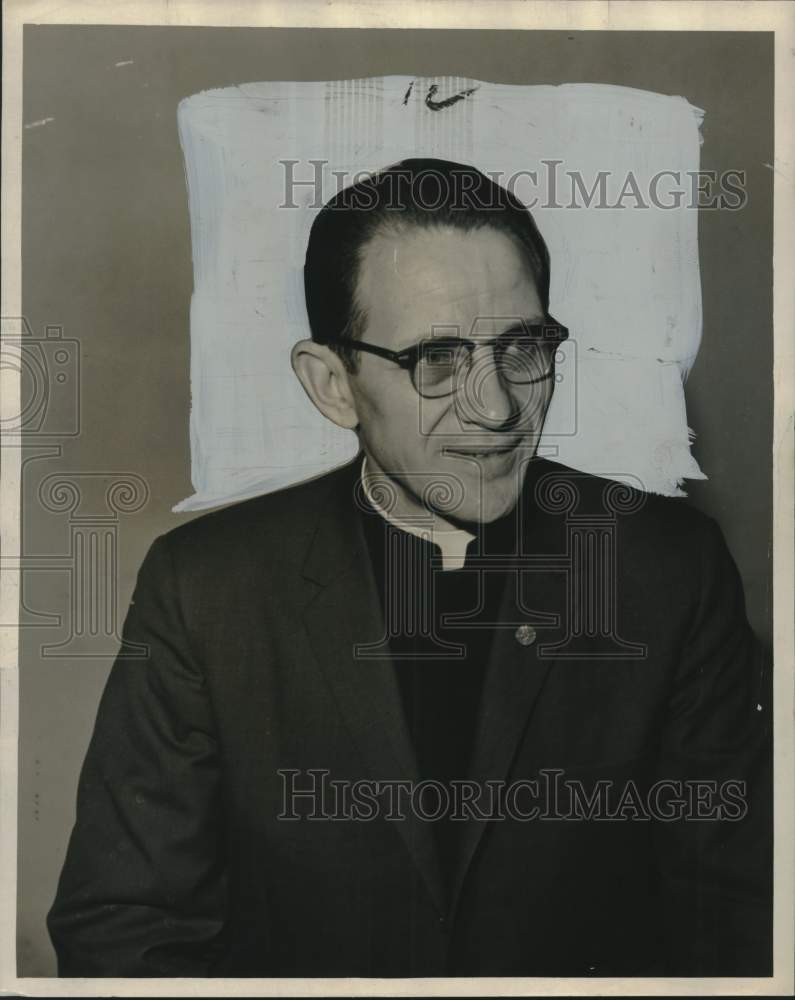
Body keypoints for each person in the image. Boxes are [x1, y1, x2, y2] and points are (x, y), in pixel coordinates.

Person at [48, 159, 772, 978]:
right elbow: (126, 933)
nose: (495, 408)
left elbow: (737, 920)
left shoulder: (666, 569)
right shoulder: (204, 588)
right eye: (435, 358)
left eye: (522, 346)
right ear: (333, 385)